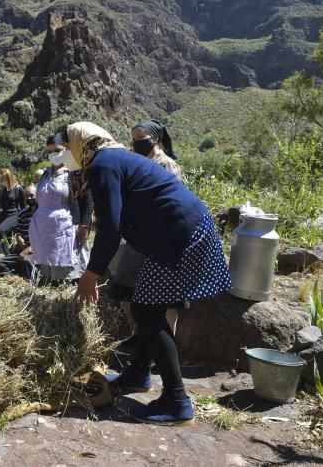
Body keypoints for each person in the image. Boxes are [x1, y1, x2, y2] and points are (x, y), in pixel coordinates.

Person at [62, 121, 231, 426]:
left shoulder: (103, 165)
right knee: (146, 302)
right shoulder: (114, 158)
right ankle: (139, 373)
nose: (67, 152)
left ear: (81, 143)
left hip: (181, 232)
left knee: (147, 309)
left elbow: (111, 228)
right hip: (178, 230)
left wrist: (91, 274)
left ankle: (177, 402)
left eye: (68, 145)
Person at [112, 120, 182, 343]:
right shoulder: (137, 163)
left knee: (164, 296)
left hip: (160, 238)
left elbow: (173, 201)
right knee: (124, 286)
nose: (137, 144)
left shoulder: (167, 165)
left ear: (156, 139)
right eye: (133, 140)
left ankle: (167, 343)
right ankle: (138, 335)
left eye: (142, 140)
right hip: (137, 235)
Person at [28, 136, 93, 284]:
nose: (53, 154)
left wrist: (84, 225)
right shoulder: (45, 173)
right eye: (49, 151)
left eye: (57, 150)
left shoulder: (76, 171)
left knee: (69, 271)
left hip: (67, 229)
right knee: (49, 272)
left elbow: (87, 200)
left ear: (68, 149)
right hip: (45, 230)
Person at [0, 184, 38, 282]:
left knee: (27, 262)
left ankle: (31, 285)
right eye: (26, 196)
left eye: (31, 195)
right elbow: (18, 235)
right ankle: (15, 278)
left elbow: (44, 238)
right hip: (23, 248)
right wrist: (24, 248)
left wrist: (28, 250)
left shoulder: (43, 213)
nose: (29, 198)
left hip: (39, 250)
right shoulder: (23, 214)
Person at [0, 168, 26, 253]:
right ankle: (7, 254)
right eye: (0, 179)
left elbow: (24, 206)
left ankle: (7, 255)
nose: (2, 181)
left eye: (3, 179)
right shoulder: (1, 190)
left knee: (0, 230)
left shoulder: (18, 189)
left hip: (15, 215)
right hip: (3, 216)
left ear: (9, 178)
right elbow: (1, 204)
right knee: (4, 238)